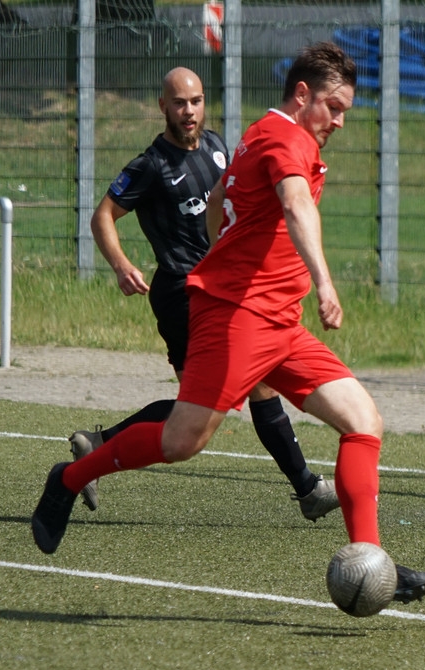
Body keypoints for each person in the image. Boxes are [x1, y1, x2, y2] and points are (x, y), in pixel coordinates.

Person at [32, 43, 425, 603]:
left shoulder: (256, 133)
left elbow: (221, 198)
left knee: (363, 421)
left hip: (278, 322)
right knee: (182, 442)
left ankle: (373, 563)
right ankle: (68, 478)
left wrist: (228, 254)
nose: (340, 122)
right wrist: (323, 282)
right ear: (303, 95)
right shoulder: (286, 139)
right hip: (238, 318)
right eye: (334, 108)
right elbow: (296, 204)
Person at [70, 66, 339, 523]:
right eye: (179, 103)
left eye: (195, 101)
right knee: (236, 393)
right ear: (163, 107)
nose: (188, 111)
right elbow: (102, 217)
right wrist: (121, 265)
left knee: (207, 405)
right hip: (182, 291)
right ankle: (307, 488)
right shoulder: (150, 165)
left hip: (221, 289)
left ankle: (98, 445)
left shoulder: (216, 147)